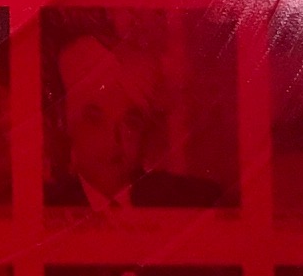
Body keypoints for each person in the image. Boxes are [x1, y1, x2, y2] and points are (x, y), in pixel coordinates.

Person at [46, 30, 223, 208]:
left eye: (130, 122)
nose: (113, 140)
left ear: (146, 130)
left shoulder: (198, 200)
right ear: (68, 123)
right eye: (95, 120)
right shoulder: (47, 204)